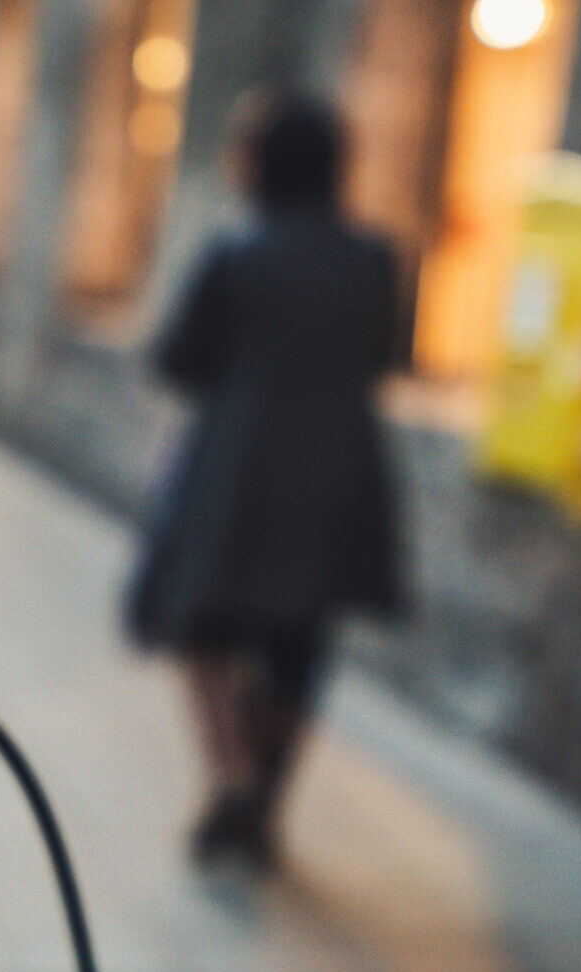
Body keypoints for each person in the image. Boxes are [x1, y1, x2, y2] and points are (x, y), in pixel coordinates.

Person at [126, 93, 404, 871]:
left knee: (199, 628)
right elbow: (387, 357)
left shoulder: (237, 253)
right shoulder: (376, 259)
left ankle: (236, 774)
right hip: (340, 472)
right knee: (299, 646)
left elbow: (177, 358)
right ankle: (261, 803)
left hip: (238, 473)